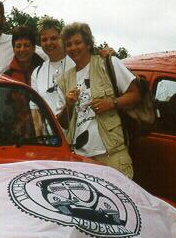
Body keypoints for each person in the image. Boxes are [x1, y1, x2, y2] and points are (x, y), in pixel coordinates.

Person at [56, 22, 141, 179]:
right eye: (68, 45)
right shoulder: (64, 80)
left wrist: (112, 103)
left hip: (113, 156)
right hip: (82, 160)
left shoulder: (108, 63)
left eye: (78, 42)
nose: (73, 48)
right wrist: (69, 105)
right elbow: (64, 123)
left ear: (88, 44)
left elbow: (136, 95)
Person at [31, 16, 75, 116]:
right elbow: (35, 108)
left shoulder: (76, 65)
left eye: (53, 38)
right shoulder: (37, 73)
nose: (49, 43)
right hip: (50, 131)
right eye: (44, 39)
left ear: (63, 38)